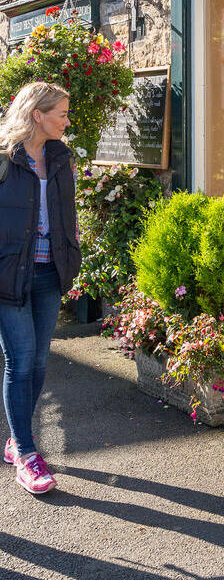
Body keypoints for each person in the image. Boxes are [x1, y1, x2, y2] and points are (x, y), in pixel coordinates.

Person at [0, 82, 81, 494]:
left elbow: (67, 215)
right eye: (62, 113)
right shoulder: (4, 160)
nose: (67, 121)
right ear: (37, 114)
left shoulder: (61, 158)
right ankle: (29, 454)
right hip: (9, 276)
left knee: (39, 362)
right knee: (21, 359)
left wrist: (72, 255)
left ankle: (17, 441)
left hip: (50, 272)